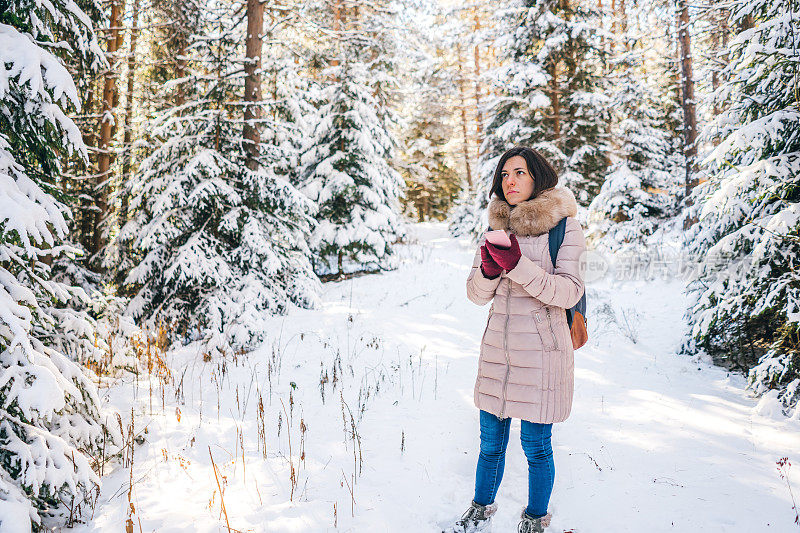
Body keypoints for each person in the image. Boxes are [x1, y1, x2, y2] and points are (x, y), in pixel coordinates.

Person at [443, 146, 586, 533]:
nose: (510, 181)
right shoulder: (495, 228)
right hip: (498, 356)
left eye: (519, 172)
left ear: (537, 177)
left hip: (542, 355)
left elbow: (569, 292)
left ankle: (535, 518)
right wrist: (489, 271)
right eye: (505, 174)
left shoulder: (564, 228)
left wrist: (517, 266)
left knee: (536, 448)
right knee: (489, 445)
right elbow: (475, 294)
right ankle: (480, 509)